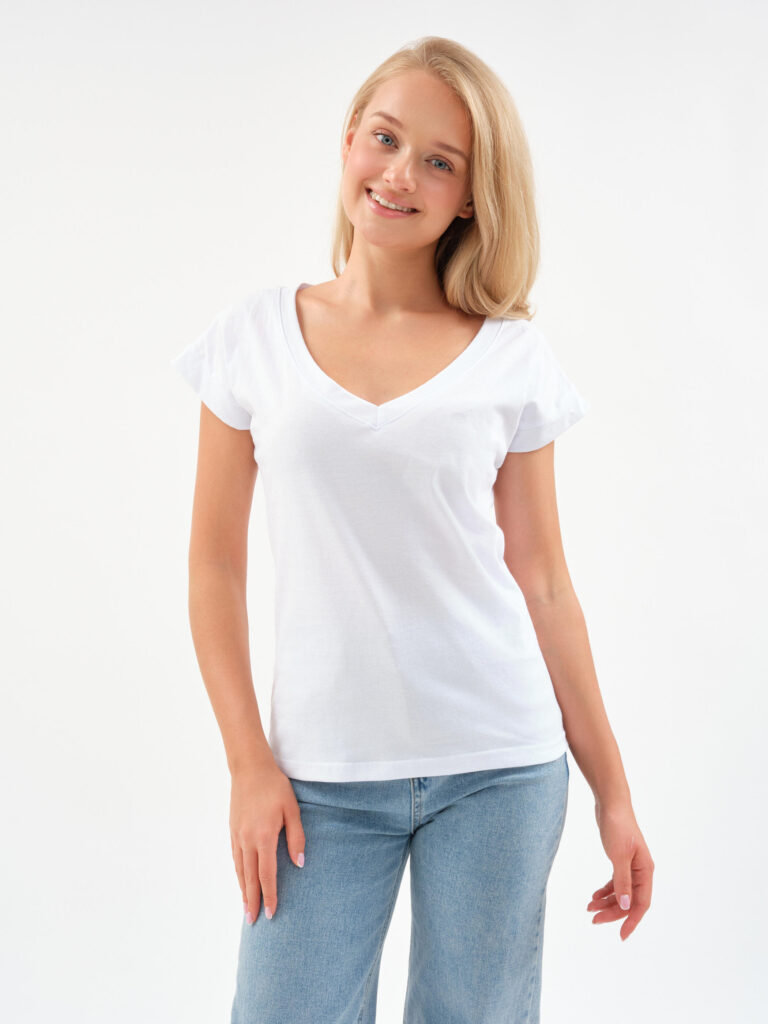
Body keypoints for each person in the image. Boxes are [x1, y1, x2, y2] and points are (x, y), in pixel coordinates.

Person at [171, 35, 654, 1024]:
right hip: (317, 779)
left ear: (473, 196)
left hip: (498, 768)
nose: (400, 175)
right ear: (350, 138)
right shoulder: (253, 338)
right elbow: (214, 567)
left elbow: (545, 582)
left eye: (440, 161)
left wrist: (613, 792)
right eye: (386, 140)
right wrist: (248, 762)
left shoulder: (511, 357)